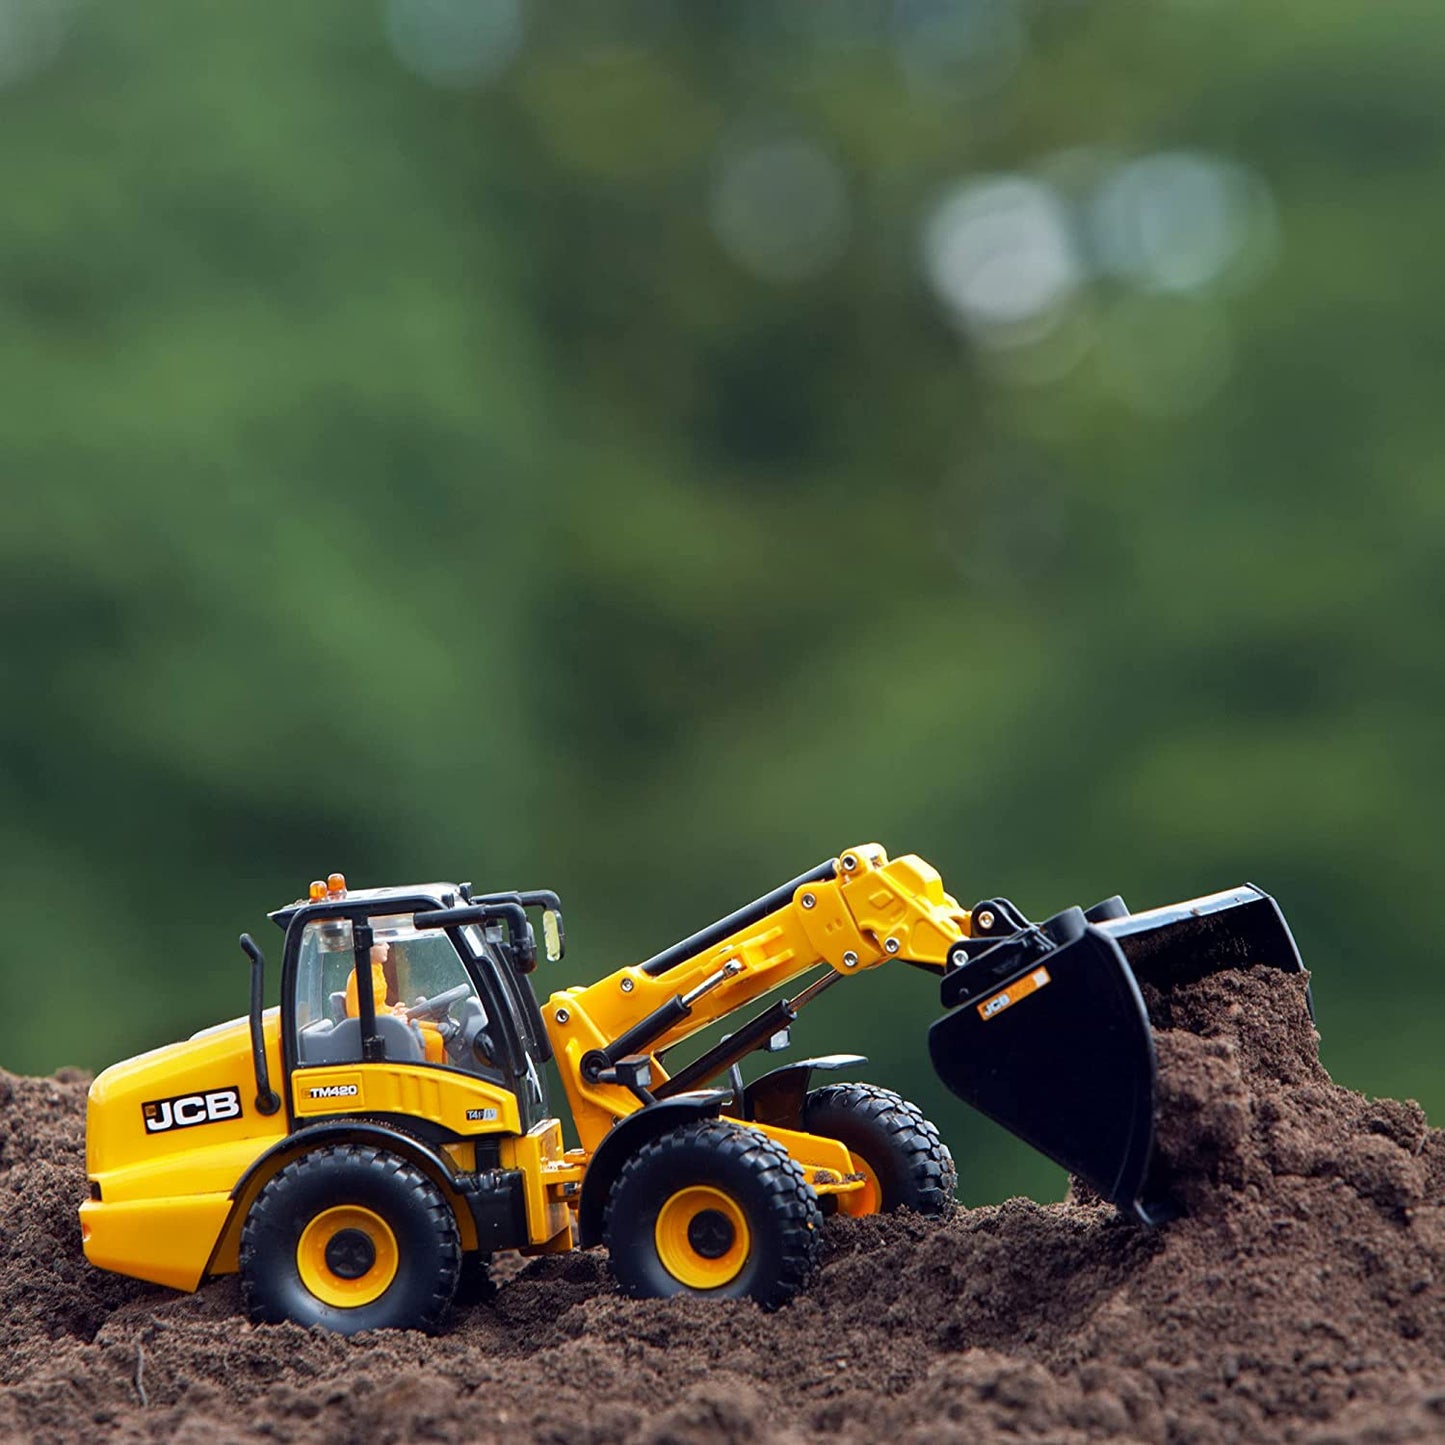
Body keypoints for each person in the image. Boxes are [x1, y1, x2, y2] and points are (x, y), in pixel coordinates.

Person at [344, 940, 445, 1063]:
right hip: (379, 1032)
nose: (387, 947)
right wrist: (390, 1019)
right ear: (368, 950)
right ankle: (434, 1077)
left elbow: (378, 1006)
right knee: (434, 1040)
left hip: (387, 1022)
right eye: (381, 944)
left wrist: (393, 1010)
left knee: (440, 1029)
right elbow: (357, 1017)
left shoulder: (376, 970)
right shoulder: (358, 978)